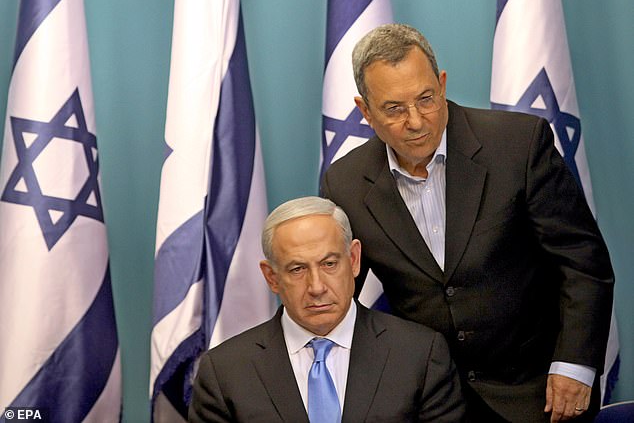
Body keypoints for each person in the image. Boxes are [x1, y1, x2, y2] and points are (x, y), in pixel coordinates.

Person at [320, 24, 614, 423]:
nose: (416, 121)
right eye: (394, 109)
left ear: (441, 85)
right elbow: (336, 294)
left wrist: (574, 365)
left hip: (539, 390)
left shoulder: (517, 145)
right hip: (430, 400)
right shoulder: (346, 183)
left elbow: (582, 262)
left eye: (426, 99)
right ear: (365, 112)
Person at [188, 196, 466, 423]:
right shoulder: (224, 372)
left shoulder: (419, 355)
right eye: (297, 269)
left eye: (329, 264)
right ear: (272, 277)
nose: (317, 287)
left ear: (354, 259)